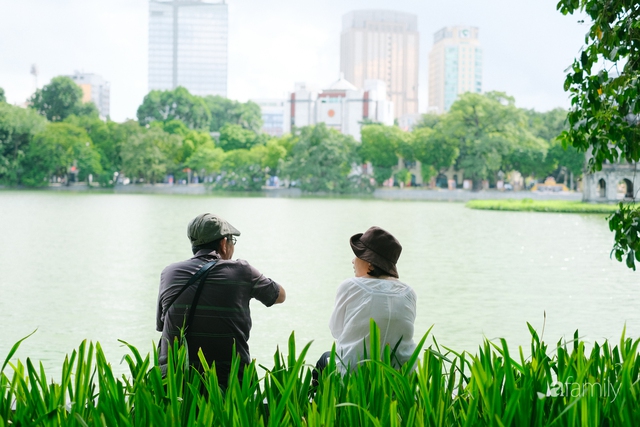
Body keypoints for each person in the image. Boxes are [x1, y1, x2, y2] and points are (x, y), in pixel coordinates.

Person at [156, 213, 286, 386]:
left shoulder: (169, 273)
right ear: (224, 244)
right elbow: (280, 296)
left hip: (175, 380)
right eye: (232, 241)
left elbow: (161, 325)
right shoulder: (242, 271)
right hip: (227, 380)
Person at [316, 226, 417, 376]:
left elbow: (336, 331)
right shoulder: (409, 292)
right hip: (402, 375)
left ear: (370, 262)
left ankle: (320, 399)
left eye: (357, 255)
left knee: (324, 359)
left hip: (354, 374)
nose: (352, 261)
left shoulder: (350, 286)